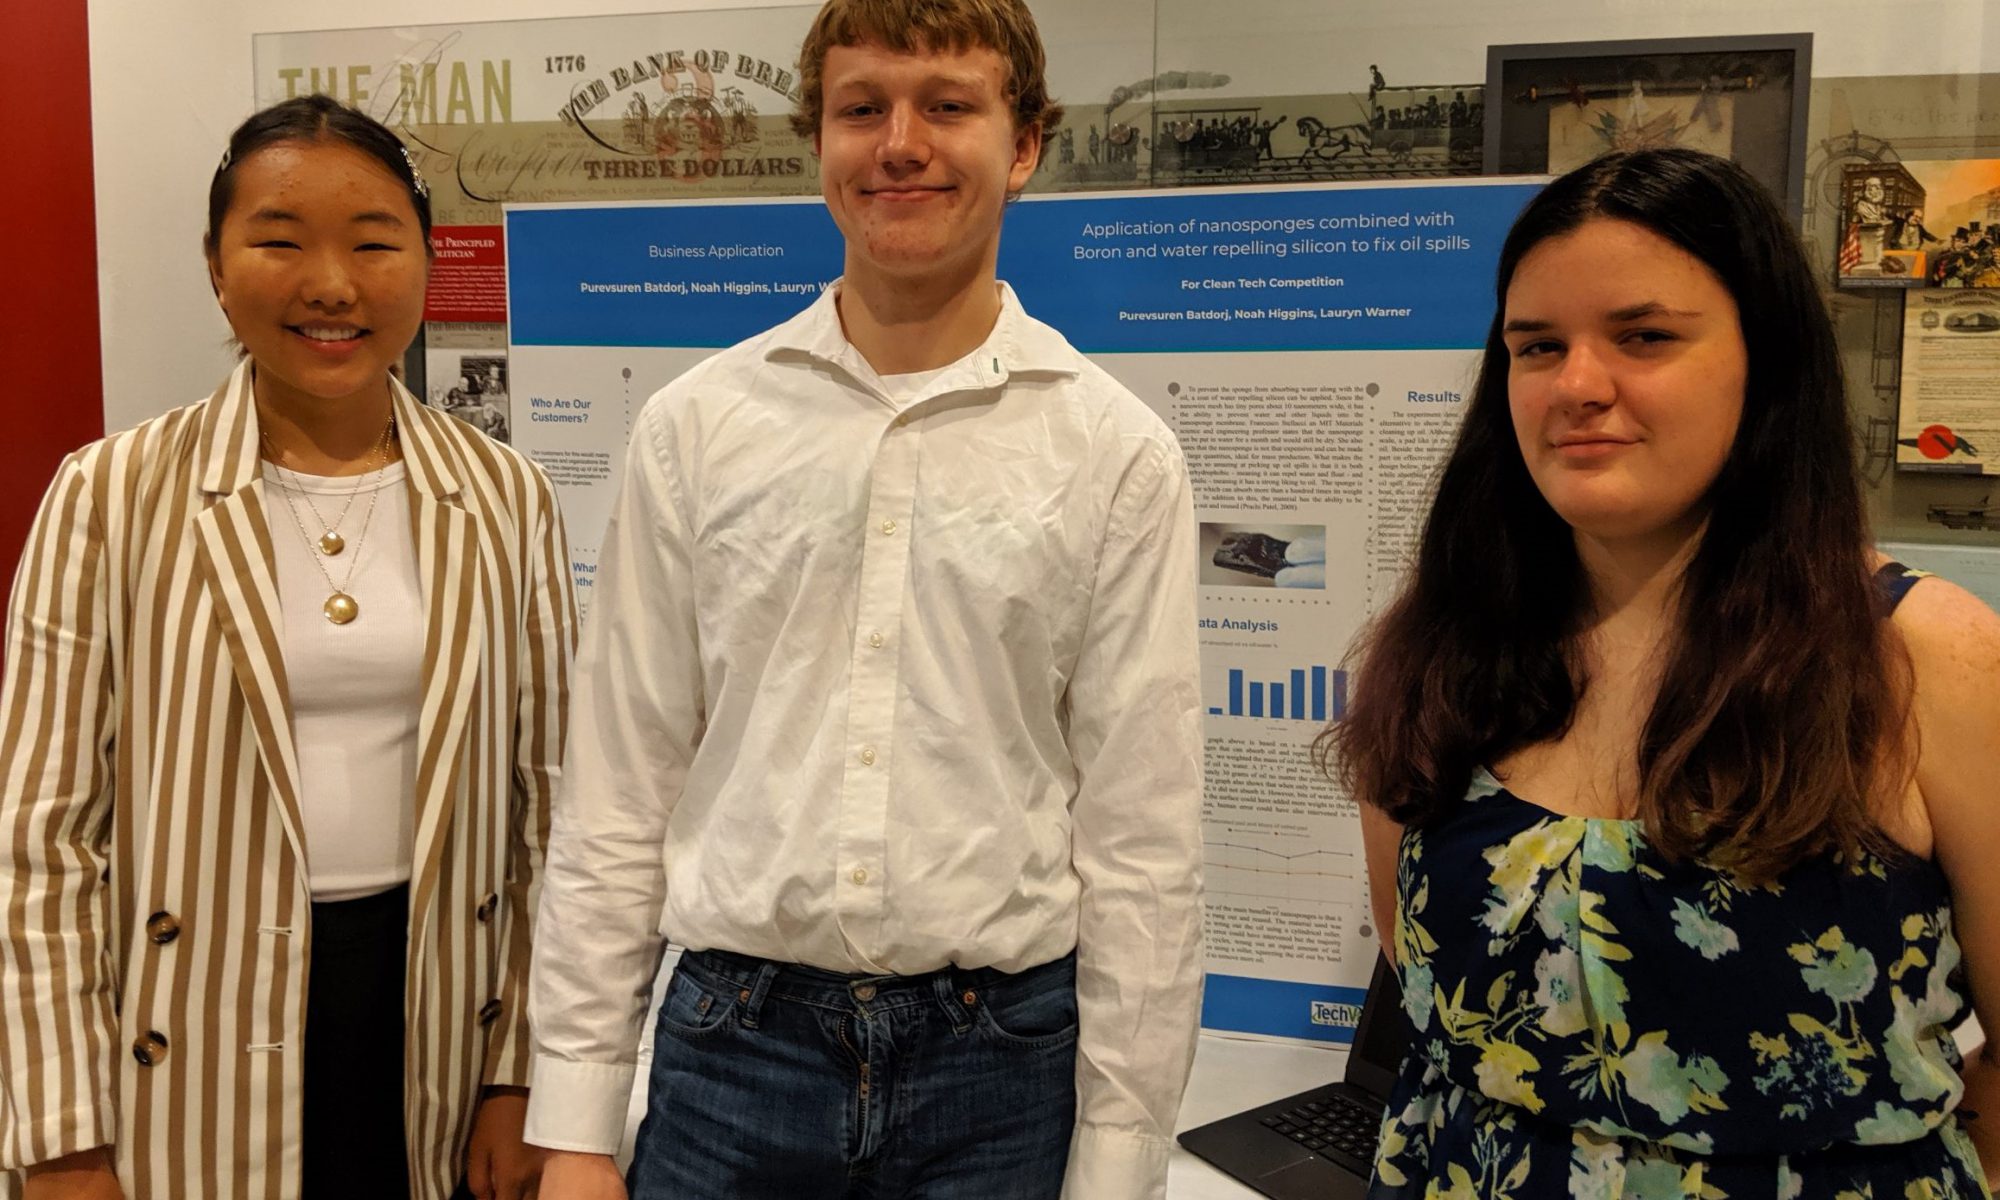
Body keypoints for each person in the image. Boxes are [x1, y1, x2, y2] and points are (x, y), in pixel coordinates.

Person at [523, 1, 1204, 1198]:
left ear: (1027, 139)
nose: (899, 143)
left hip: (1002, 1071)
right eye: (860, 109)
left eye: (947, 104)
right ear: (818, 139)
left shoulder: (1114, 453)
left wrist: (1120, 1160)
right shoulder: (697, 430)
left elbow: (1142, 844)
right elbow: (618, 790)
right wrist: (576, 1118)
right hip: (734, 1052)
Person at [1325, 147, 2000, 1196]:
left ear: (1763, 361)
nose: (1577, 386)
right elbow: (1419, 974)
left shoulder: (1921, 658)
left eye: (1641, 337)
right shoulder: (1435, 650)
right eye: (1535, 346)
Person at [0, 94, 576, 1200]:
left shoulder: (507, 496)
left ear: (425, 261)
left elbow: (551, 811)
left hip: (437, 1018)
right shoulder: (111, 493)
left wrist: (525, 1076)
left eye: (372, 242)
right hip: (189, 1030)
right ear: (217, 266)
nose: (330, 283)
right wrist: (62, 1138)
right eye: (277, 240)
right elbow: (38, 842)